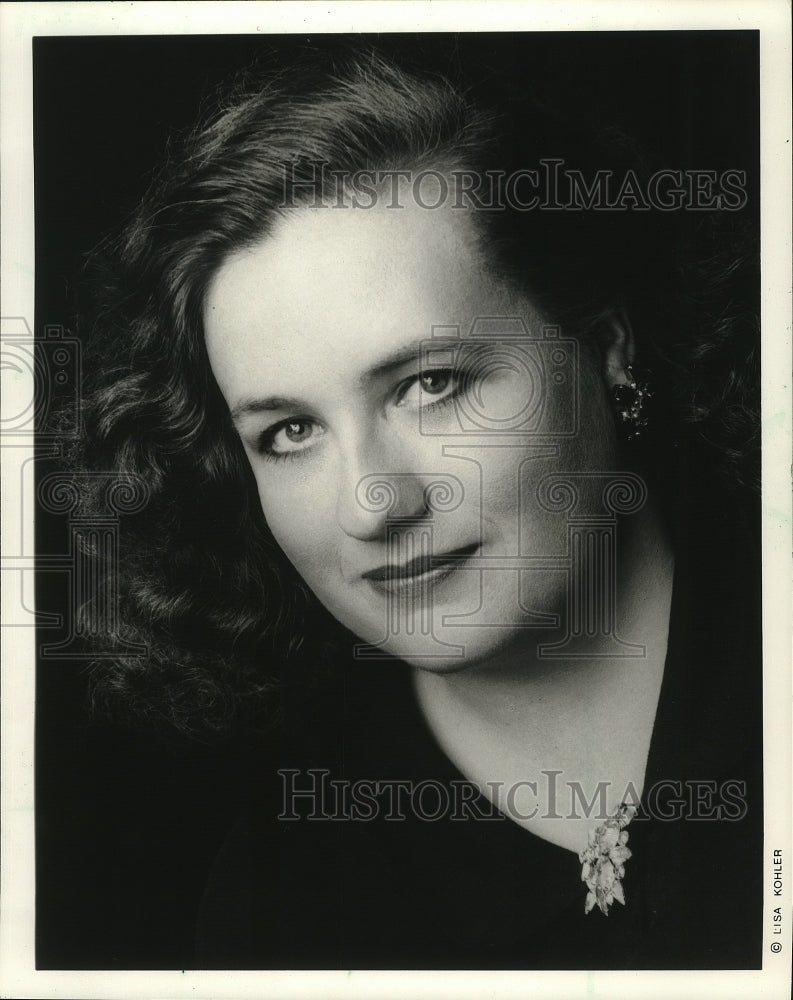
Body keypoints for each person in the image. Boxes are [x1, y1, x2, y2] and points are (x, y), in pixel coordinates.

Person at [54, 41, 761, 969]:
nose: (370, 505)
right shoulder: (279, 902)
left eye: (430, 384)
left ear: (607, 350)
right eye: (289, 433)